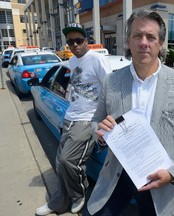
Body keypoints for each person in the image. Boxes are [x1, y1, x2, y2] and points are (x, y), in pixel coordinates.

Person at [83, 9, 174, 216]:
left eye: (151, 37)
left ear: (160, 43)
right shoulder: (111, 82)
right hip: (117, 174)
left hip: (161, 178)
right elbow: (96, 121)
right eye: (137, 35)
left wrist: (173, 173)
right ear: (128, 41)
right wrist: (101, 135)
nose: (143, 42)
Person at [35, 23, 112, 215]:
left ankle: (79, 194)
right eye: (71, 42)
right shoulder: (73, 62)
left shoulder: (96, 60)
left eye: (79, 40)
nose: (75, 44)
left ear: (86, 41)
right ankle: (58, 204)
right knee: (60, 163)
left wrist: (104, 121)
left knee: (69, 160)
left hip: (87, 120)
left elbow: (111, 89)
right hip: (70, 117)